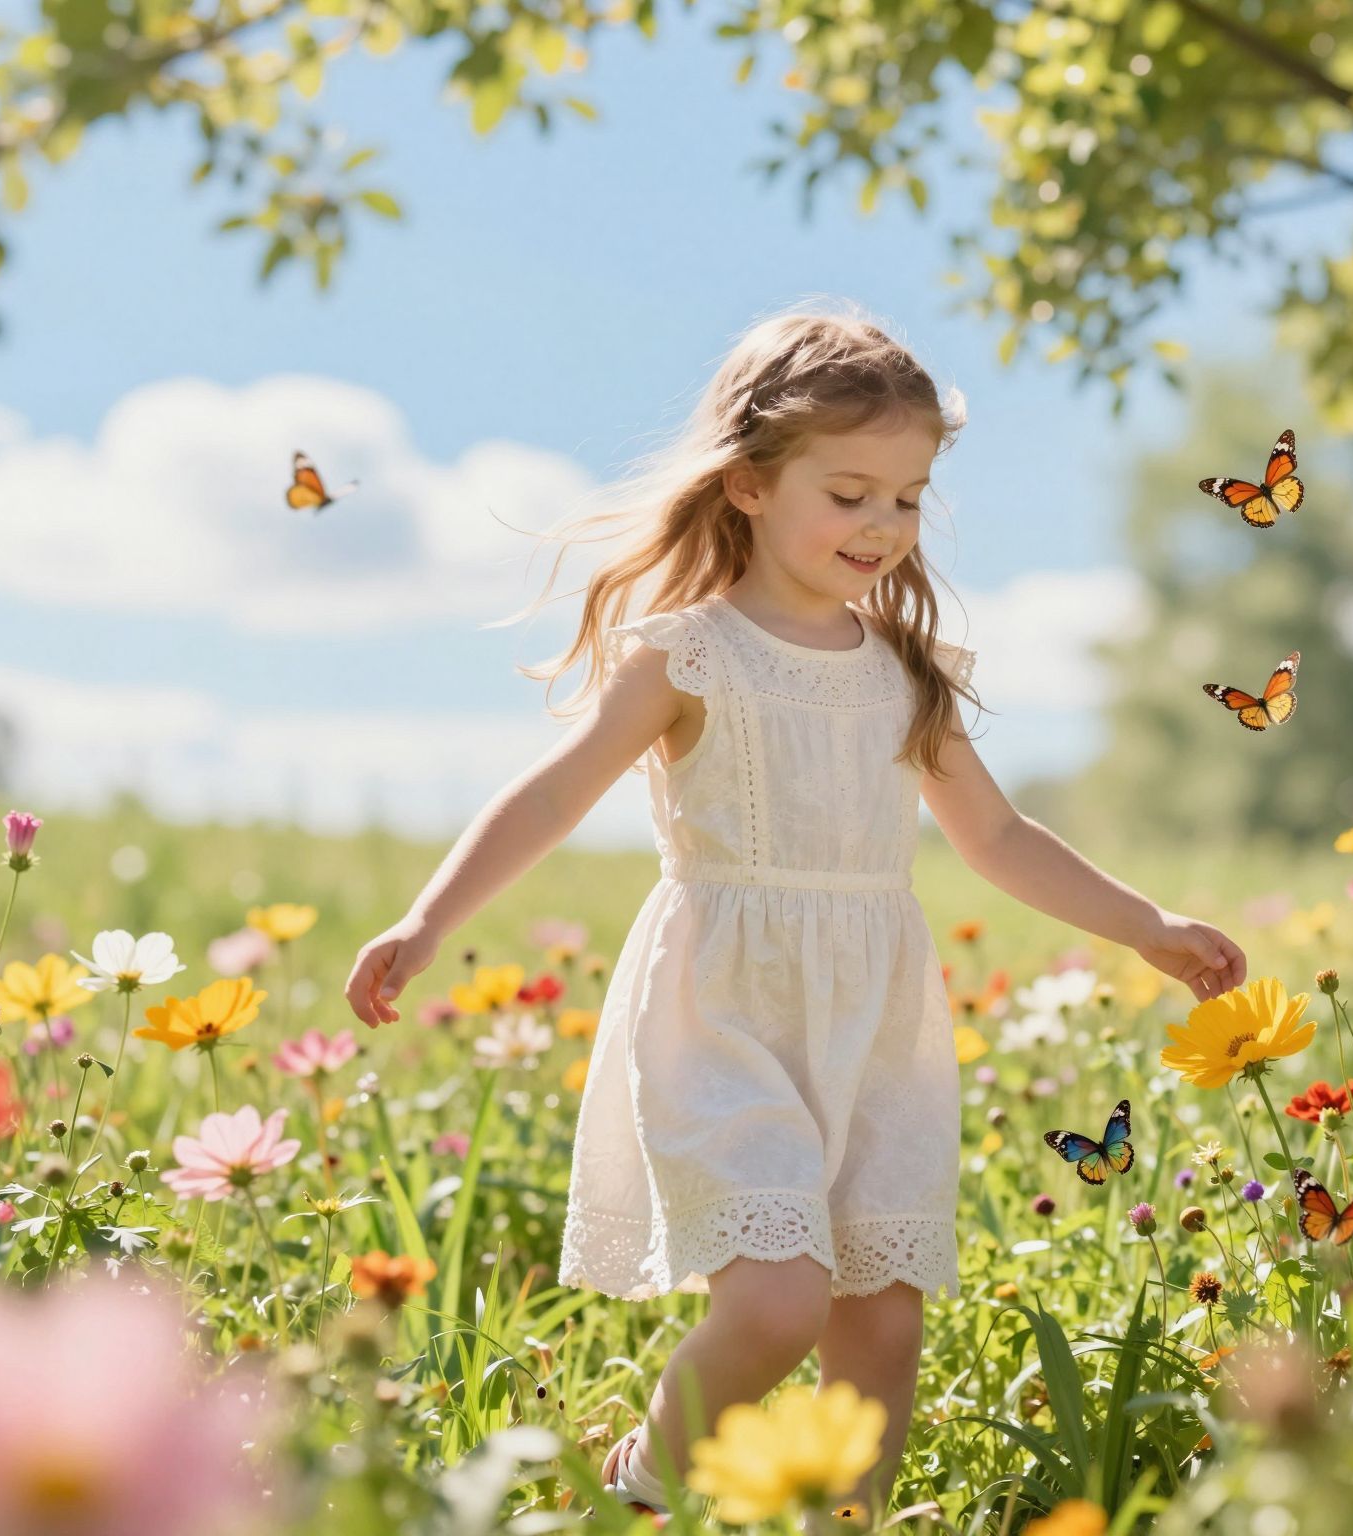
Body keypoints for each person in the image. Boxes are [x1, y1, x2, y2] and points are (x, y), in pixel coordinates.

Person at [343, 302, 1247, 1522]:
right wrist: (427, 919)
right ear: (750, 484)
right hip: (724, 1013)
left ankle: (845, 1521)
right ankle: (641, 1489)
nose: (883, 525)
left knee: (881, 1317)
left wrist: (1146, 924)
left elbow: (995, 836)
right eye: (849, 492)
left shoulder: (906, 672)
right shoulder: (688, 655)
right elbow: (554, 793)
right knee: (774, 1301)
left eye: (907, 498)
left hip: (875, 1024)